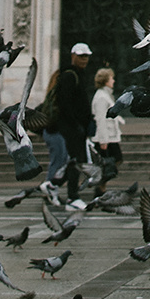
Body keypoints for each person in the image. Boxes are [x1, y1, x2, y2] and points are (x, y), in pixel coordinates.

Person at [53, 43, 93, 199]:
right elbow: (65, 103)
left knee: (76, 161)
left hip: (78, 127)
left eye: (86, 57)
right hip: (71, 127)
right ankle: (72, 196)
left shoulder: (78, 74)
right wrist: (76, 124)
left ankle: (52, 185)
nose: (84, 60)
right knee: (77, 160)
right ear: (73, 56)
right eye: (81, 56)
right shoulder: (69, 75)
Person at [91, 65, 123, 177]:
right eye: (111, 78)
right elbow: (101, 119)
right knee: (109, 164)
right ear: (105, 80)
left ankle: (102, 184)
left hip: (111, 136)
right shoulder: (101, 97)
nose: (113, 81)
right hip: (106, 137)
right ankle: (101, 186)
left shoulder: (106, 95)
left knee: (114, 161)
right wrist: (103, 140)